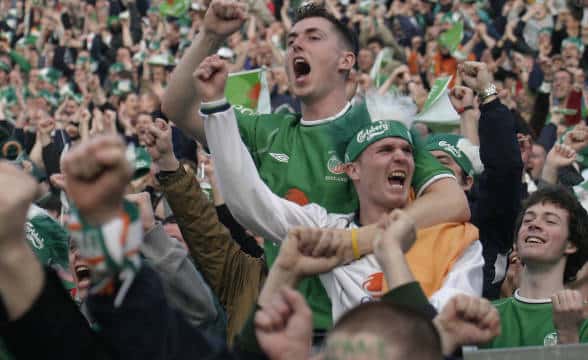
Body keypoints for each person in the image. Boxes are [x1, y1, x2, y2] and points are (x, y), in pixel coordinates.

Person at [165, 1, 470, 331]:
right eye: (292, 39)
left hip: (364, 322)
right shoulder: (267, 130)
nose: (296, 43)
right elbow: (178, 106)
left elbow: (452, 202)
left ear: (346, 60)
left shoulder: (381, 126)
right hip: (289, 329)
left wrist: (364, 240)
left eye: (313, 37)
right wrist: (209, 34)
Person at [425, 61, 524, 299]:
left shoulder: (485, 218)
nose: (434, 171)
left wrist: (486, 93)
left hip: (477, 329)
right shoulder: (402, 221)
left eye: (443, 162)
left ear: (467, 182)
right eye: (426, 164)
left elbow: (505, 166)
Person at [482, 186, 588, 348]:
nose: (534, 225)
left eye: (550, 221)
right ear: (516, 242)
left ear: (571, 244)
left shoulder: (583, 318)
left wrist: (568, 335)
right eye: (528, 220)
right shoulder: (484, 315)